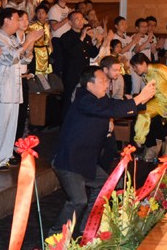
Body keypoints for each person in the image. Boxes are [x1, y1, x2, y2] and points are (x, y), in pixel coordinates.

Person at [52, 66, 156, 236]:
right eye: (103, 81)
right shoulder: (84, 99)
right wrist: (139, 99)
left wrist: (139, 99)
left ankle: (87, 229)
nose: (107, 84)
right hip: (69, 161)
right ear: (89, 84)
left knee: (104, 187)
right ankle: (55, 236)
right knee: (79, 200)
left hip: (85, 161)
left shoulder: (99, 99)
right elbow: (110, 110)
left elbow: (115, 106)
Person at [0, 8, 44, 171]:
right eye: (17, 19)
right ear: (7, 20)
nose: (19, 23)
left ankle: (5, 156)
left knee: (11, 125)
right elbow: (9, 58)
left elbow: (24, 59)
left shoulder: (10, 38)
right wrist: (27, 41)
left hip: (13, 86)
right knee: (0, 125)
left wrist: (30, 42)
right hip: (3, 86)